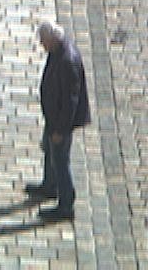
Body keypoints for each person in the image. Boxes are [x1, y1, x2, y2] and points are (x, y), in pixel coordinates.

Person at [25, 21, 90, 221]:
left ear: (53, 40)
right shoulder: (57, 52)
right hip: (53, 117)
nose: (42, 45)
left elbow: (71, 101)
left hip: (61, 121)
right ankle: (49, 185)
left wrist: (60, 130)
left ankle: (66, 204)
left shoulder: (67, 60)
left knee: (61, 160)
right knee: (49, 150)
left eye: (44, 42)